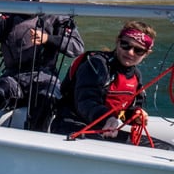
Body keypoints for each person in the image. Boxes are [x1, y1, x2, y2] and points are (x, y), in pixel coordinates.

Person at [51, 21, 173, 149]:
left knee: (167, 149)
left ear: (147, 53)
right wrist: (107, 119)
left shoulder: (136, 75)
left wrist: (135, 115)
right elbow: (86, 101)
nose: (130, 52)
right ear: (118, 41)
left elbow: (127, 111)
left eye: (138, 50)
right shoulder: (96, 65)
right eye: (125, 45)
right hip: (71, 125)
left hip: (104, 129)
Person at [0, 6, 83, 131]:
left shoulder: (57, 17)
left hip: (45, 78)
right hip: (14, 78)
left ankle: (36, 139)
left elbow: (77, 47)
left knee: (46, 97)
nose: (28, 2)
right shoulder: (8, 17)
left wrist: (48, 39)